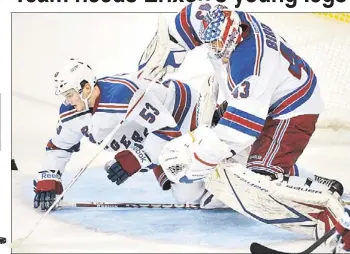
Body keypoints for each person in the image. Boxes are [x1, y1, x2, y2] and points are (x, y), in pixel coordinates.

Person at [138, 2, 349, 252]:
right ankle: (317, 184)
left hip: (292, 108)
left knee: (258, 180)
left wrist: (198, 160)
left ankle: (337, 223)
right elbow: (189, 19)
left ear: (233, 34)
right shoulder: (224, 19)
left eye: (219, 43)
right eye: (211, 43)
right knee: (250, 160)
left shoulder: (251, 64)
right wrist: (164, 56)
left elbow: (238, 133)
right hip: (269, 96)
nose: (215, 49)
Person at [32, 58, 231, 212]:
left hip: (181, 113)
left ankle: (223, 129)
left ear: (86, 88)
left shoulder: (121, 96)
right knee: (187, 197)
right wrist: (49, 177)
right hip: (149, 135)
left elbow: (167, 129)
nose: (66, 102)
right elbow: (60, 146)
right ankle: (203, 161)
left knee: (194, 198)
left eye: (69, 94)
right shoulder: (71, 113)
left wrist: (137, 158)